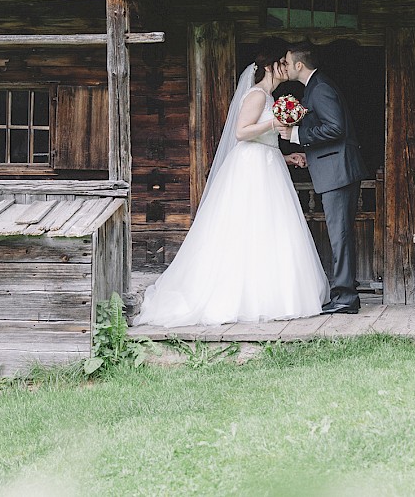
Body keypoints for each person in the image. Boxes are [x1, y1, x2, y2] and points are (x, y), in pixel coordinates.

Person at [134, 50, 329, 327]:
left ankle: (269, 295)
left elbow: (261, 140)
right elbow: (241, 133)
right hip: (251, 170)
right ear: (268, 67)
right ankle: (242, 298)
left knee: (268, 229)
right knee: (246, 229)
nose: (285, 68)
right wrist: (275, 122)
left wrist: (285, 156)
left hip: (267, 164)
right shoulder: (257, 95)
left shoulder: (270, 98)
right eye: (281, 63)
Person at [277, 43, 369, 315]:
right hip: (334, 170)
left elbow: (336, 128)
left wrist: (296, 137)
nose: (284, 64)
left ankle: (346, 298)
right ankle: (344, 294)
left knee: (339, 236)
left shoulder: (321, 88)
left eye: (287, 60)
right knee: (340, 235)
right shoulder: (314, 88)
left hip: (338, 172)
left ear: (298, 65)